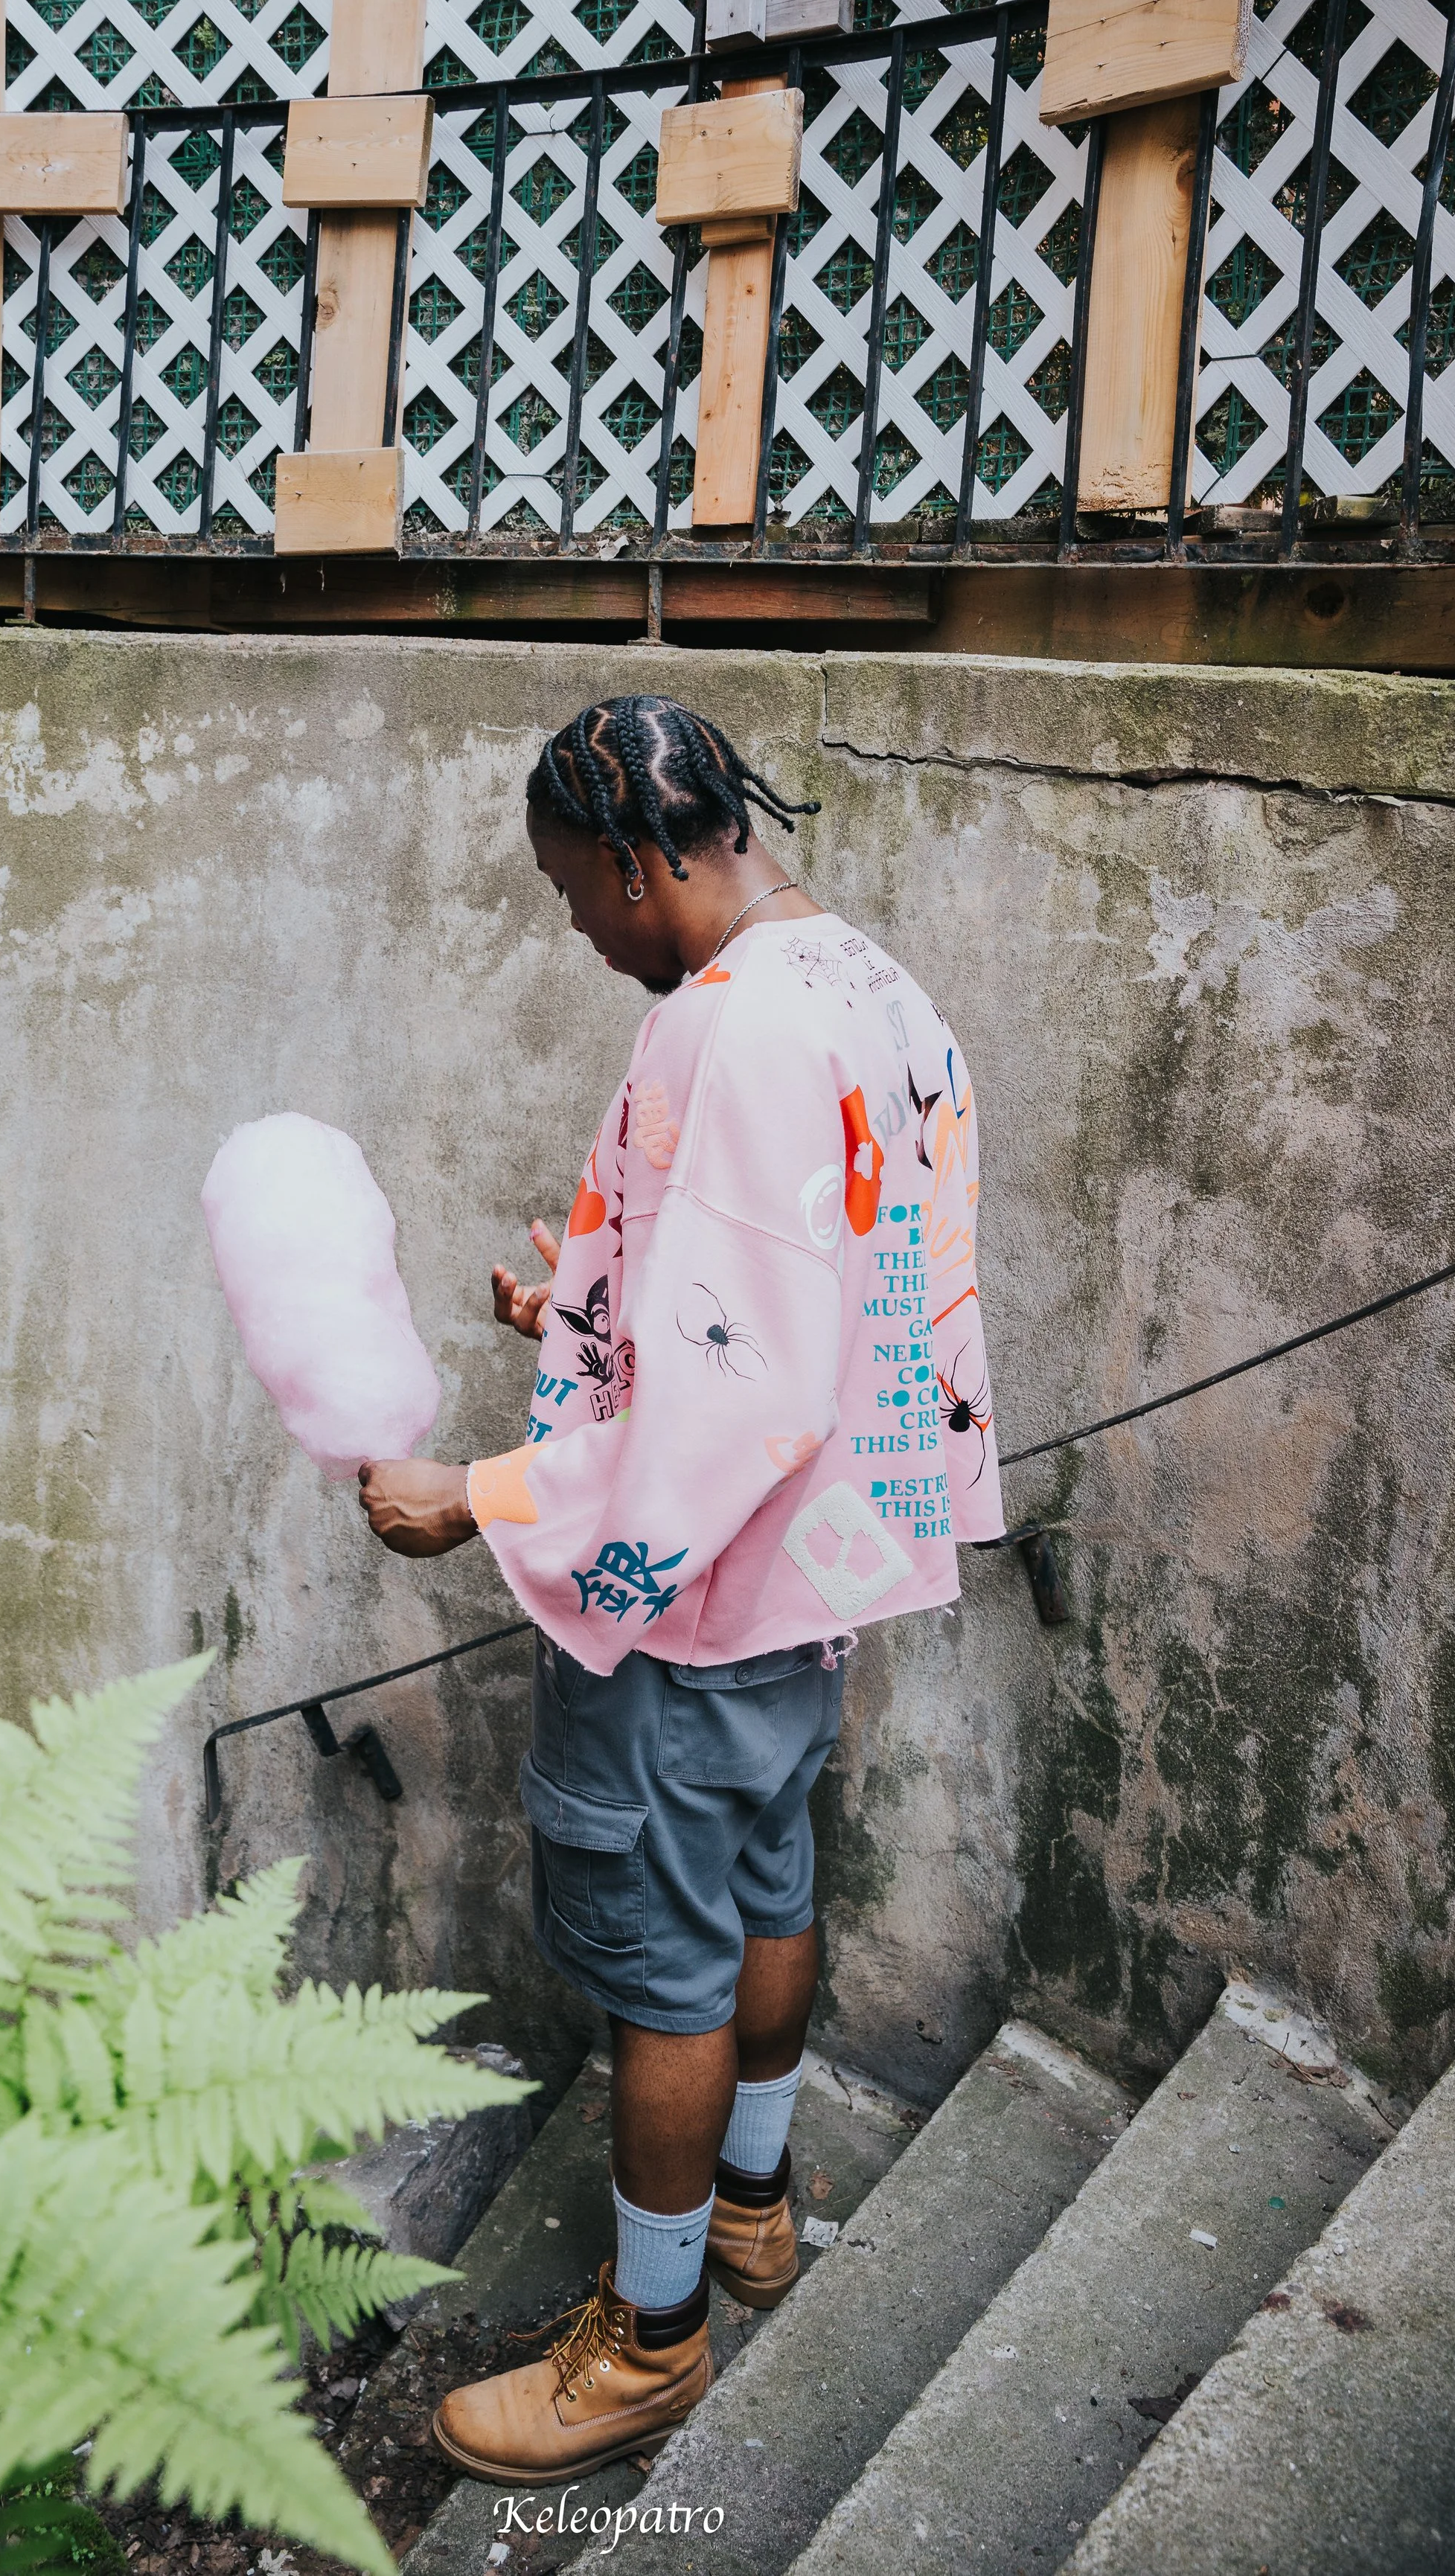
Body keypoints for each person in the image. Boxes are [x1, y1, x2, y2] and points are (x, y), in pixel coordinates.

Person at [358, 693, 1002, 2485]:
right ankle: (752, 2210)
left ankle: (645, 2346)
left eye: (577, 895)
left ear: (645, 860)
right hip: (814, 1571)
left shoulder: (729, 1037)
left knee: (664, 1960)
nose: (575, 927)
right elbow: (824, 1275)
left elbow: (734, 1393)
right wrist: (581, 1302)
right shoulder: (861, 981)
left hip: (694, 1593)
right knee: (767, 1872)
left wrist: (480, 1495)